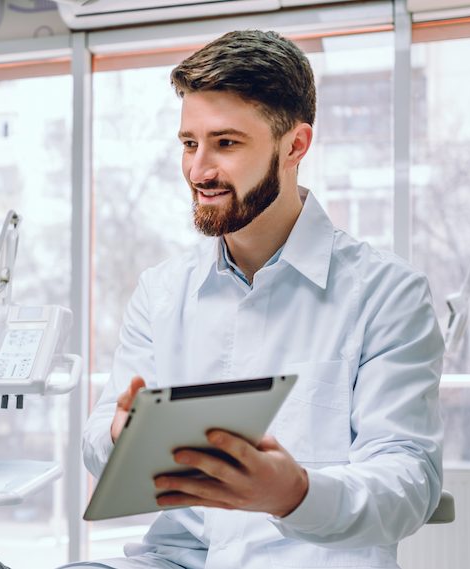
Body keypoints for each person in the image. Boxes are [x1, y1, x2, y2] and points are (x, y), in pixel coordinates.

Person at [69, 30, 444, 569]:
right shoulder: (161, 290)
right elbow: (98, 445)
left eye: (226, 143)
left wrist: (293, 493)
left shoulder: (386, 293)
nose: (199, 171)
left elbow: (409, 480)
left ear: (294, 146)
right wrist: (119, 436)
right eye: (189, 143)